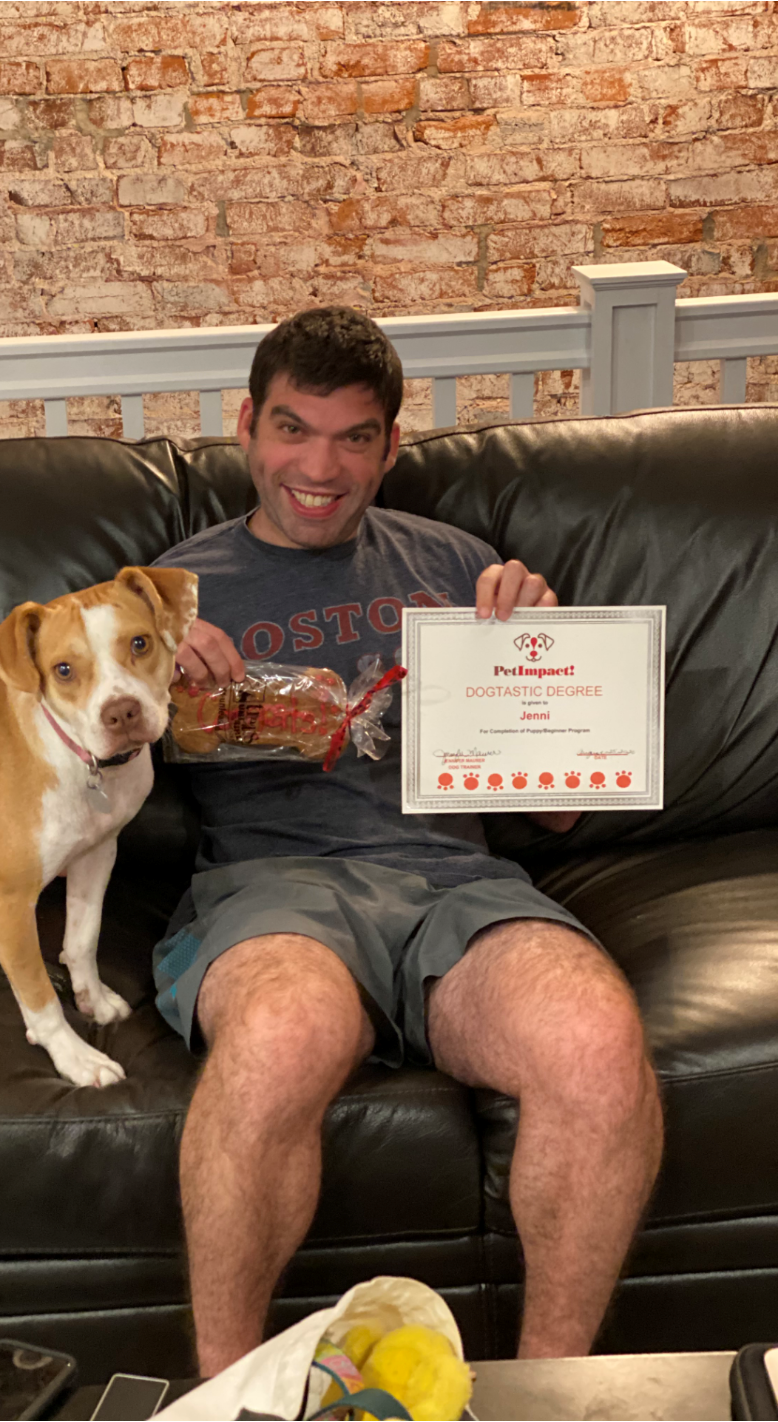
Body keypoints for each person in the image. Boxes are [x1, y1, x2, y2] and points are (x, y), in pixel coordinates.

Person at [151, 307, 663, 1376]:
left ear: (389, 443)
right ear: (247, 427)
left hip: (454, 888)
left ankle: (549, 1391)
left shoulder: (461, 566)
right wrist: (137, 686)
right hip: (272, 890)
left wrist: (541, 665)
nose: (319, 467)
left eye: (353, 437)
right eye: (293, 429)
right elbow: (64, 779)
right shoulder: (170, 593)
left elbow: (559, 812)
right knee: (281, 1034)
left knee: (595, 1043)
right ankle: (222, 1393)